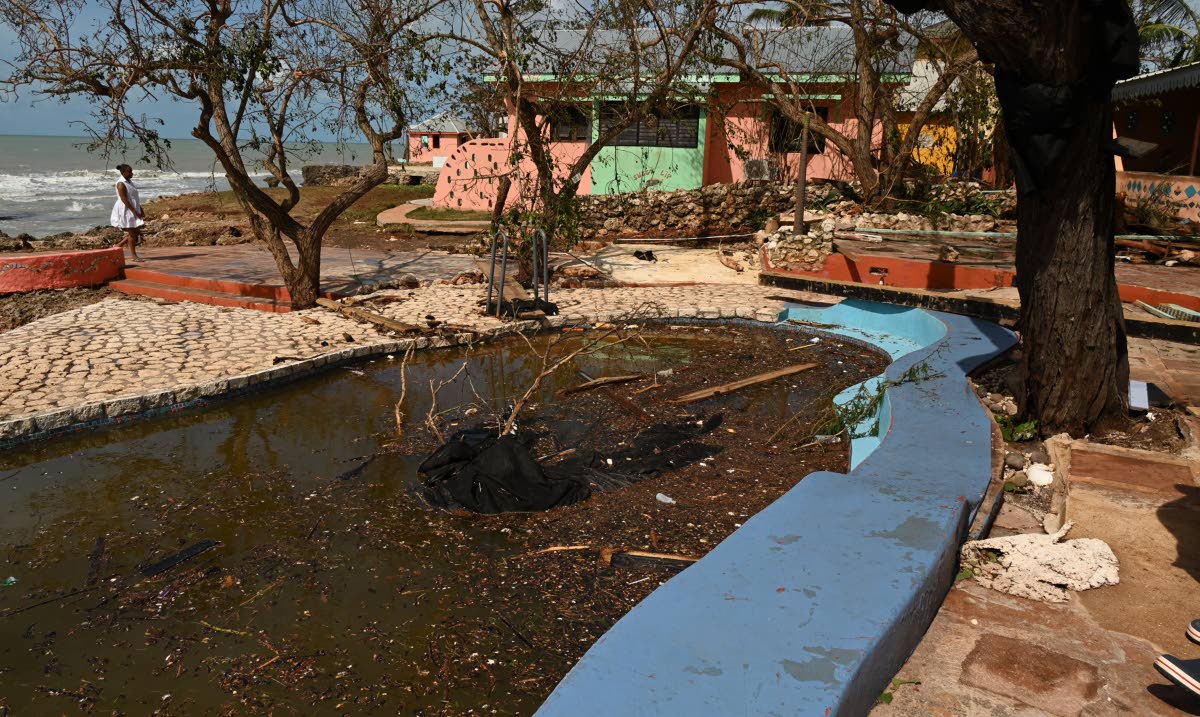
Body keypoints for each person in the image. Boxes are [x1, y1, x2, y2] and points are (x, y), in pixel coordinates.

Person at [110, 163, 145, 261]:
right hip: (126, 210)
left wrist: (140, 209)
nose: (131, 173)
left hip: (133, 208)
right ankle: (134, 256)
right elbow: (124, 199)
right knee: (133, 233)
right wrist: (134, 211)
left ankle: (118, 245)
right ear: (123, 172)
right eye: (129, 172)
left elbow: (134, 198)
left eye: (131, 171)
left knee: (135, 231)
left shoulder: (129, 182)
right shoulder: (121, 183)